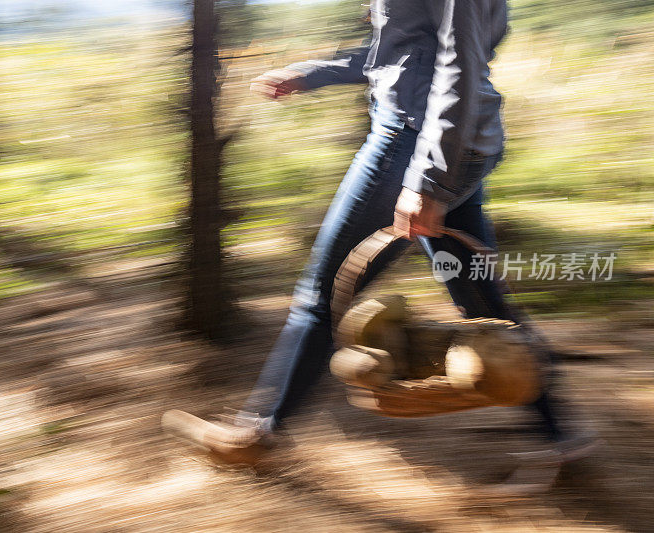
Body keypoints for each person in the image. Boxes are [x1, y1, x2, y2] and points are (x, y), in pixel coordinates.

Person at [163, 0, 595, 485]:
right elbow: (404, 53)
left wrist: (428, 180)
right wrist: (311, 74)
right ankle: (561, 436)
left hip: (414, 143)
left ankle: (259, 435)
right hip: (446, 141)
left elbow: (460, 61)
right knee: (482, 303)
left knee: (320, 297)